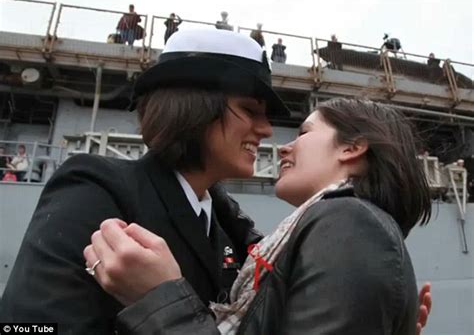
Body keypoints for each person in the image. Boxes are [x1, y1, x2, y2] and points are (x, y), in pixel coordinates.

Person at [0, 29, 289, 334]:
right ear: (196, 107)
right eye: (249, 110)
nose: (266, 130)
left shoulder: (226, 230)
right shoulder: (98, 189)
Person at [84, 99, 433, 334]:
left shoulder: (348, 223)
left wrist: (160, 299)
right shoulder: (347, 226)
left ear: (352, 147)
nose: (283, 146)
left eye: (304, 133)